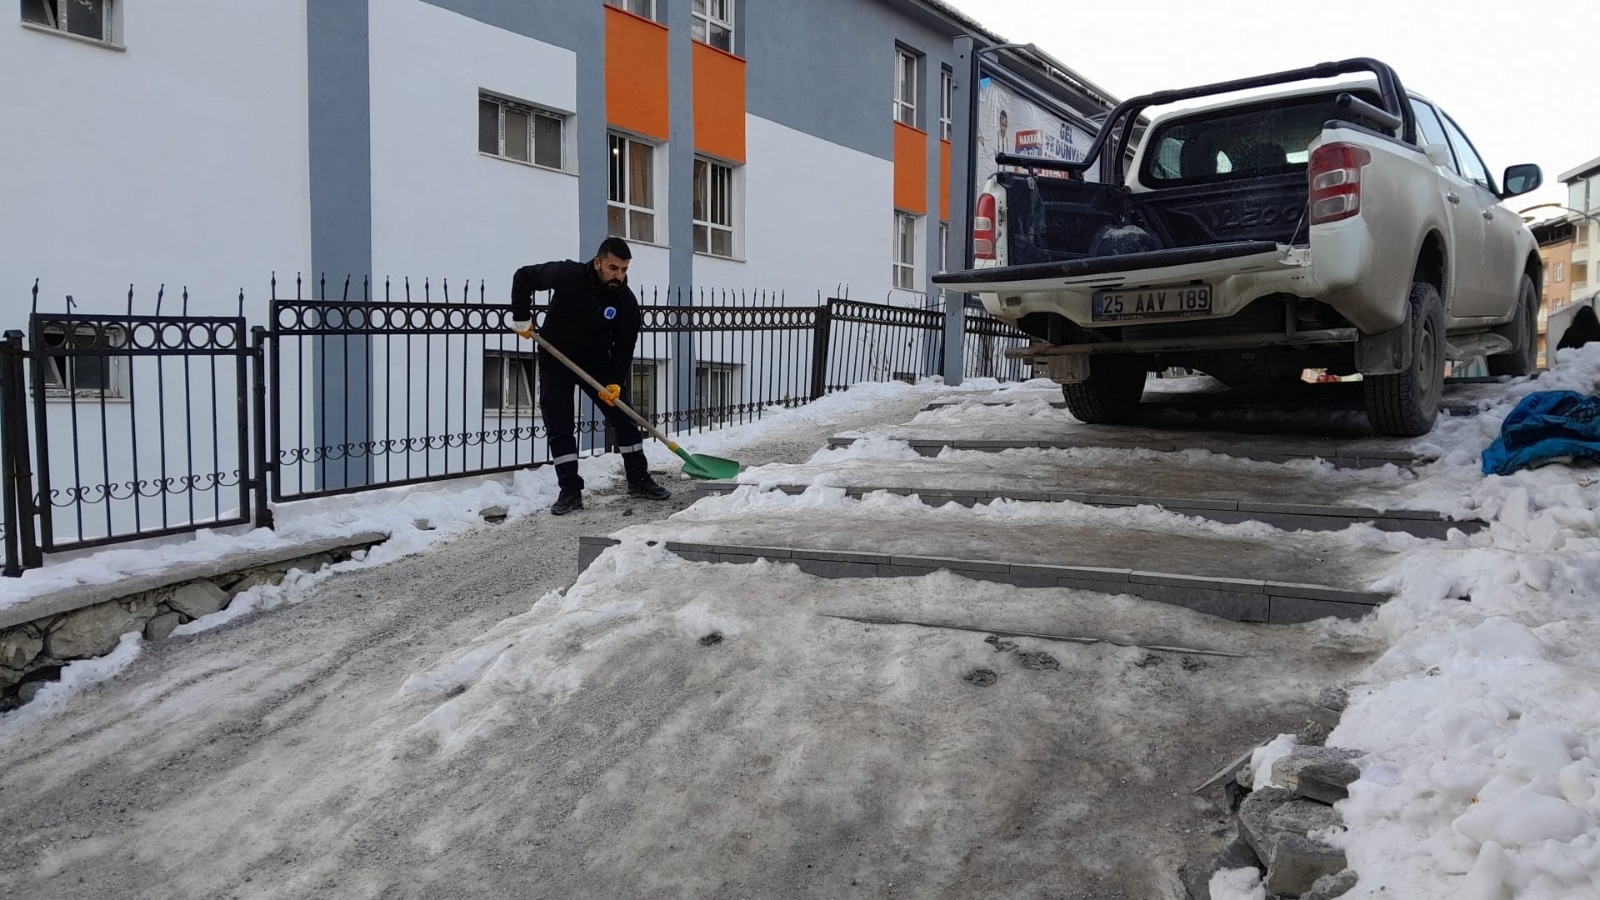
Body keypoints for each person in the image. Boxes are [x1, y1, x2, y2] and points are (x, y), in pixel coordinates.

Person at [509, 237, 670, 515]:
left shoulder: (625, 303)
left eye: (624, 270)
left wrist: (615, 381)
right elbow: (524, 276)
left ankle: (639, 479)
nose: (619, 276)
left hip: (596, 364)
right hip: (556, 358)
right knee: (560, 426)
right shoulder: (568, 275)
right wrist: (521, 316)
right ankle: (570, 490)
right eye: (613, 268)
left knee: (624, 417)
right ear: (598, 263)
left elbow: (624, 346)